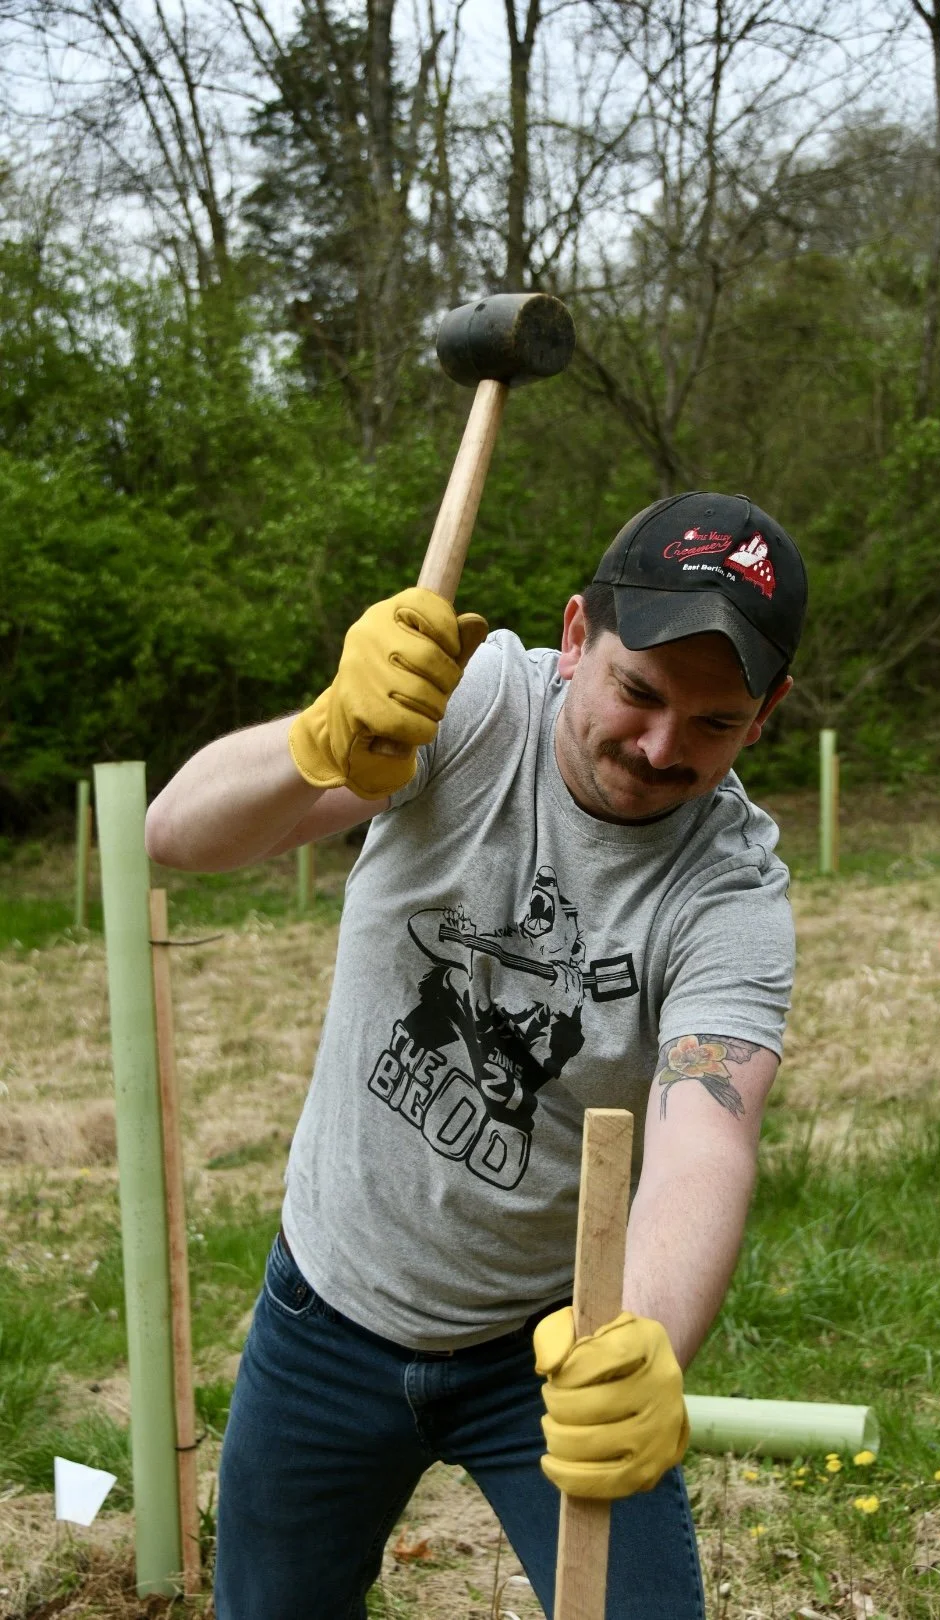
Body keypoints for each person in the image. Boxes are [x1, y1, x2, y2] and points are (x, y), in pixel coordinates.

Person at [146, 490, 808, 1620]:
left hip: (544, 1347)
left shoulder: (731, 891)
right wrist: (318, 739)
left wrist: (640, 1343)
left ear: (767, 713)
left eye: (712, 723)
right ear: (574, 636)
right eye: (638, 692)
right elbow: (176, 835)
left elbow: (708, 1136)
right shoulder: (474, 703)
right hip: (330, 1308)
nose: (658, 747)